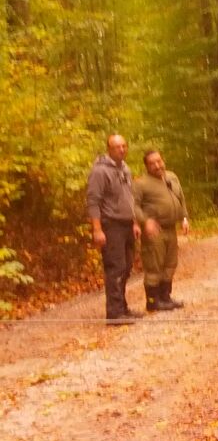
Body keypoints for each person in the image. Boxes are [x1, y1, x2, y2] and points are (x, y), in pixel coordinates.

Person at [86, 133, 143, 324]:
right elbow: (93, 201)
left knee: (126, 267)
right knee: (115, 268)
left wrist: (134, 222)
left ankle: (122, 307)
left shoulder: (125, 169)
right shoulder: (99, 171)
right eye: (117, 147)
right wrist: (97, 229)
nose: (122, 149)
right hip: (111, 225)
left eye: (124, 146)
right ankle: (114, 313)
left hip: (126, 224)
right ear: (109, 149)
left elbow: (130, 198)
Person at [132, 149, 190, 311]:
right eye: (152, 163)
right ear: (147, 166)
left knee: (170, 263)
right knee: (154, 265)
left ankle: (165, 297)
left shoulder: (171, 177)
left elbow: (181, 198)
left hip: (171, 228)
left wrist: (184, 218)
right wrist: (145, 221)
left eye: (159, 161)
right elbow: (133, 206)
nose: (157, 165)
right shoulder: (140, 183)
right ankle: (153, 300)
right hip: (154, 230)